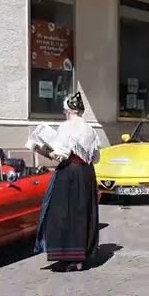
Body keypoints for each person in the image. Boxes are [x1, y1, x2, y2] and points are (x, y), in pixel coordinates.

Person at [33, 91, 102, 271]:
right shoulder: (91, 130)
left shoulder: (65, 127)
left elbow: (60, 155)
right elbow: (95, 157)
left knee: (62, 214)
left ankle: (67, 256)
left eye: (65, 111)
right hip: (86, 174)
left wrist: (41, 150)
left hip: (68, 174)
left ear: (69, 111)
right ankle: (81, 257)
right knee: (82, 213)